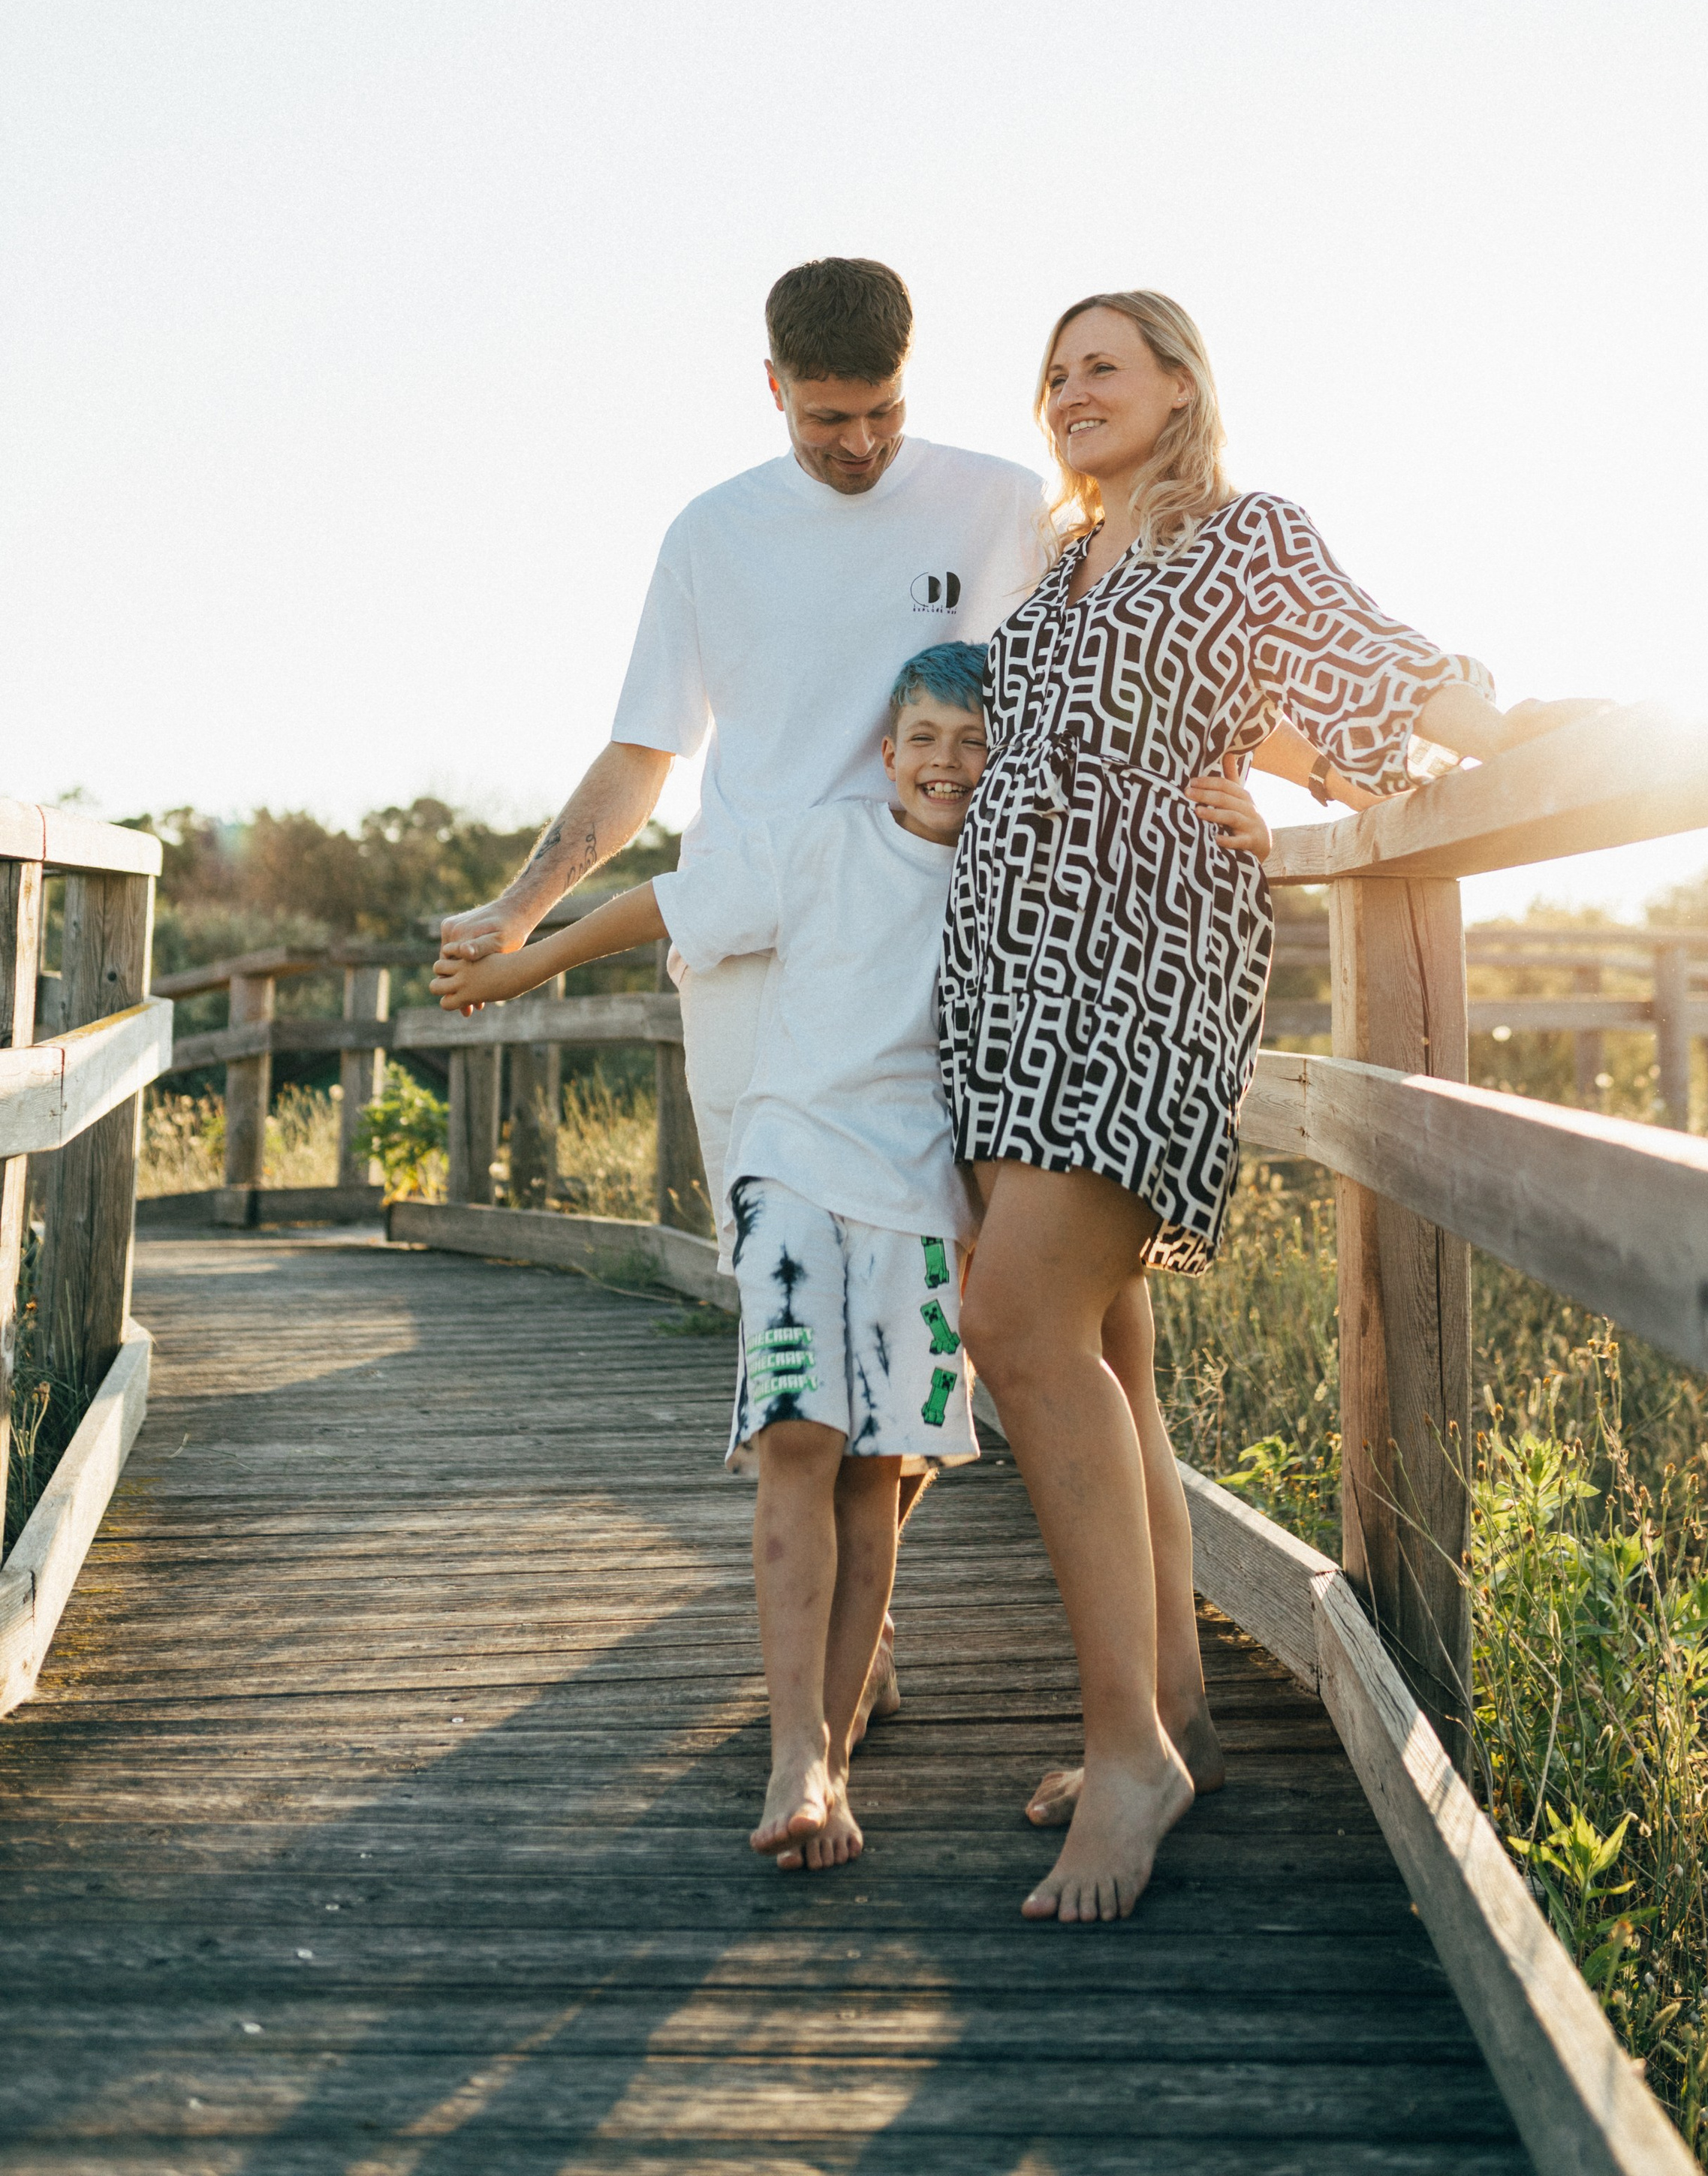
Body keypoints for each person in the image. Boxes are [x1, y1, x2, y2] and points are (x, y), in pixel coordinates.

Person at [943, 291, 1607, 1924]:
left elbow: (1362, 654)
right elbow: (1214, 719)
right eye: (1052, 373)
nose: (1069, 390)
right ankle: (1171, 1712)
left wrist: (1508, 729)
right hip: (1002, 982)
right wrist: (1285, 757)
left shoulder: (1242, 534)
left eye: (1101, 364)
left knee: (1015, 1327)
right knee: (1099, 1354)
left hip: (1139, 961)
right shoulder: (1058, 560)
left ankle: (1126, 1758)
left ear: (1178, 386)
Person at [430, 640, 1276, 1871]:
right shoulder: (826, 842)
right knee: (799, 1443)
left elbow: (1153, 874)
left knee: (877, 1475)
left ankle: (833, 1752)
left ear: (1010, 761)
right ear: (887, 752)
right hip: (794, 1172)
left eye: (975, 744)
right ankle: (795, 1755)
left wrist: (1250, 820)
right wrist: (523, 961)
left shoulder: (1019, 877)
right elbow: (670, 902)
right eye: (923, 740)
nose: (947, 764)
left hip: (921, 1210)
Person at [436, 258, 1044, 1727]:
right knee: (791, 1309)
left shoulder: (995, 503)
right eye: (827, 416)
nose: (858, 443)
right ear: (771, 385)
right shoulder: (712, 534)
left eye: (882, 411)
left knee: (914, 1314)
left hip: (926, 955)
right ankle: (830, 1647)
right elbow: (643, 749)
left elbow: (1067, 689)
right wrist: (521, 908)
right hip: (756, 962)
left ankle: (863, 1623)